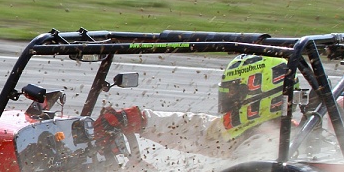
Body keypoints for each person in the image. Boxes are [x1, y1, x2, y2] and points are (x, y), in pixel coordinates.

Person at [93, 54, 301, 162]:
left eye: (233, 96)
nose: (228, 104)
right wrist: (140, 119)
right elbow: (199, 131)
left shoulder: (264, 152)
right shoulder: (278, 135)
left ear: (258, 97)